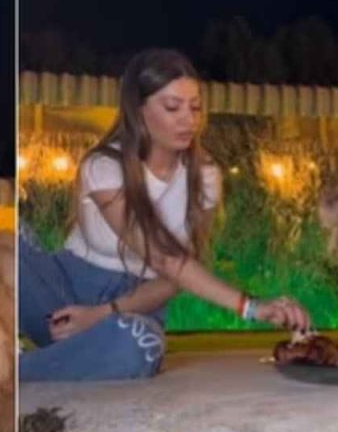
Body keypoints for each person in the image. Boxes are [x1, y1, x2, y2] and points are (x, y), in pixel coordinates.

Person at [19, 48, 311, 382]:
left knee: (139, 345)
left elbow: (175, 275)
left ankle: (17, 374)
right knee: (6, 243)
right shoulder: (103, 166)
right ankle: (68, 359)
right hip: (60, 300)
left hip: (132, 312)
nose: (189, 119)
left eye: (195, 107)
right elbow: (163, 257)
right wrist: (252, 307)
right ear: (139, 110)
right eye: (172, 107)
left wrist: (100, 315)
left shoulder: (205, 177)